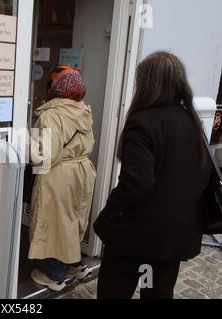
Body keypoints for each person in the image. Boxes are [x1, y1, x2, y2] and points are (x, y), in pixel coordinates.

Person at [93, 51, 211, 299]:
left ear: (147, 83)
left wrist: (109, 212)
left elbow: (137, 183)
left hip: (134, 238)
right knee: (156, 294)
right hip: (172, 240)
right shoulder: (191, 121)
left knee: (113, 292)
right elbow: (202, 175)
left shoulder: (143, 122)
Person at [28, 66, 97, 291]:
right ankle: (73, 264)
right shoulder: (83, 111)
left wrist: (27, 141)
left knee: (53, 225)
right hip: (82, 171)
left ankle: (54, 275)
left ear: (56, 89)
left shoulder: (51, 114)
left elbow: (44, 157)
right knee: (72, 222)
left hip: (59, 175)